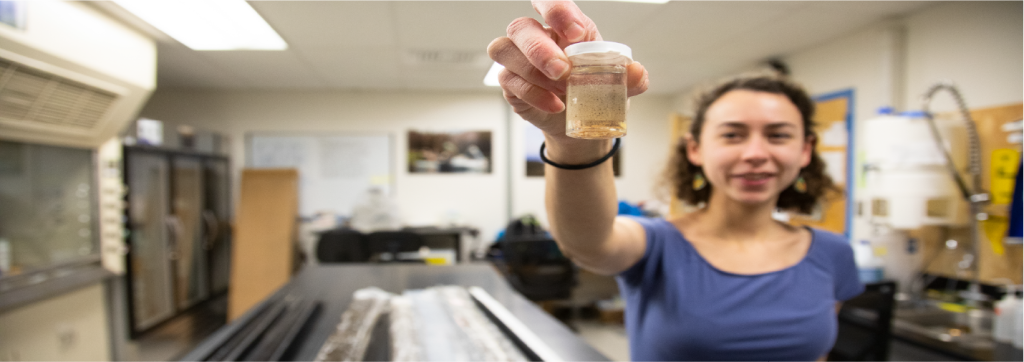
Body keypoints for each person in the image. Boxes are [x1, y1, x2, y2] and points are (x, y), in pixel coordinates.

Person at [486, 1, 864, 361]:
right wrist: (573, 142)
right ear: (696, 149)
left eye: (778, 135)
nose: (755, 153)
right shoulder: (659, 244)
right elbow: (588, 244)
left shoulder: (833, 254)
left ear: (805, 150)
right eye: (732, 134)